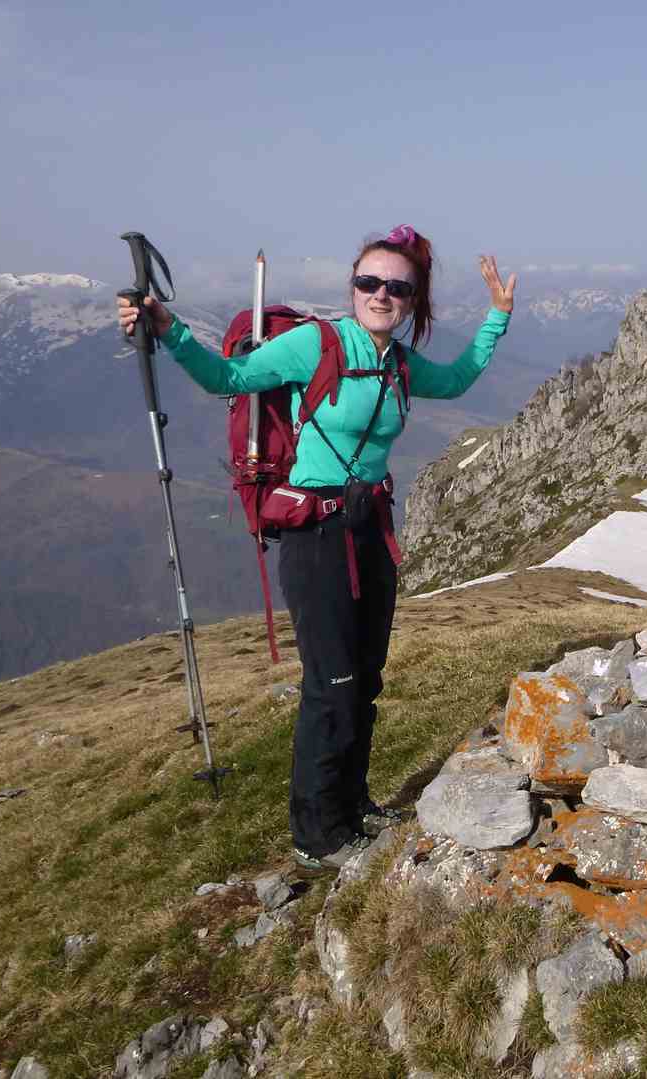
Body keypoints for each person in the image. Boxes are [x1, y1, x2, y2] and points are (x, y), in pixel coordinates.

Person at [118, 225, 516, 869]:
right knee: (331, 683)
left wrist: (498, 315)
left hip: (372, 527)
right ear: (352, 287)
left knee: (365, 678)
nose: (381, 294)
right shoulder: (316, 344)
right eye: (369, 282)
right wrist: (167, 327)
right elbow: (230, 375)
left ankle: (353, 806)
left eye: (397, 286)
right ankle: (316, 834)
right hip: (316, 534)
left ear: (413, 300)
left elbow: (461, 379)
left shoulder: (399, 363)